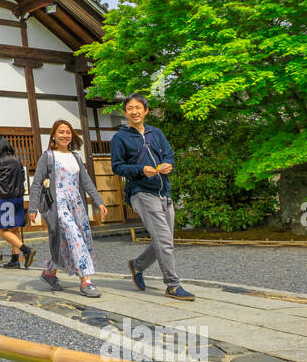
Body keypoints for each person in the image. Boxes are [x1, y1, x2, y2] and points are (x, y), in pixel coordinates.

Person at [111, 93, 193, 300]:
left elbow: (169, 155)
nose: (134, 111)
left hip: (163, 191)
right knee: (164, 241)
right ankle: (173, 285)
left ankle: (137, 265)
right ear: (125, 112)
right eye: (130, 108)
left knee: (164, 240)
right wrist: (141, 170)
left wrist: (168, 165)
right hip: (141, 192)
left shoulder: (156, 133)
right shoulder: (120, 138)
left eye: (138, 107)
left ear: (146, 110)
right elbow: (117, 166)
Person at [28, 119, 107, 296]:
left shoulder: (76, 157)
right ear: (54, 136)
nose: (65, 135)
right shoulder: (48, 157)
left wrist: (98, 201)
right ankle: (86, 281)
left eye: (68, 132)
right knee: (74, 237)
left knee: (71, 241)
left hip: (77, 205)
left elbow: (85, 181)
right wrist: (32, 208)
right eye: (61, 132)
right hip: (58, 205)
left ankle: (50, 273)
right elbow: (37, 184)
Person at [0, 136, 35, 268]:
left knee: (1, 229)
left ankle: (26, 250)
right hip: (18, 197)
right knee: (14, 229)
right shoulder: (17, 161)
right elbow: (23, 177)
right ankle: (15, 259)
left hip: (4, 199)